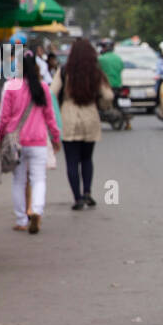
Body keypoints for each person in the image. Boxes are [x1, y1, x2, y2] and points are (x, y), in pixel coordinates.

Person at [0, 51, 60, 235]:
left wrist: (0, 137)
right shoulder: (42, 87)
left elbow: (4, 118)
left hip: (17, 142)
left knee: (18, 180)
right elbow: (50, 117)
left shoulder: (10, 86)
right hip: (38, 141)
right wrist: (55, 138)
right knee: (38, 179)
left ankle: (22, 219)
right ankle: (36, 211)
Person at [53, 39, 113, 211]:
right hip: (90, 116)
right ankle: (87, 193)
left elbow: (51, 92)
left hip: (68, 117)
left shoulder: (64, 71)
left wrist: (59, 107)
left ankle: (77, 198)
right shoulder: (95, 72)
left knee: (72, 161)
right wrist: (100, 104)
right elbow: (108, 95)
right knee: (87, 158)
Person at [98, 40, 130, 130]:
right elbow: (121, 69)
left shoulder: (101, 59)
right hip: (118, 86)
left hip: (105, 87)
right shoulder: (118, 58)